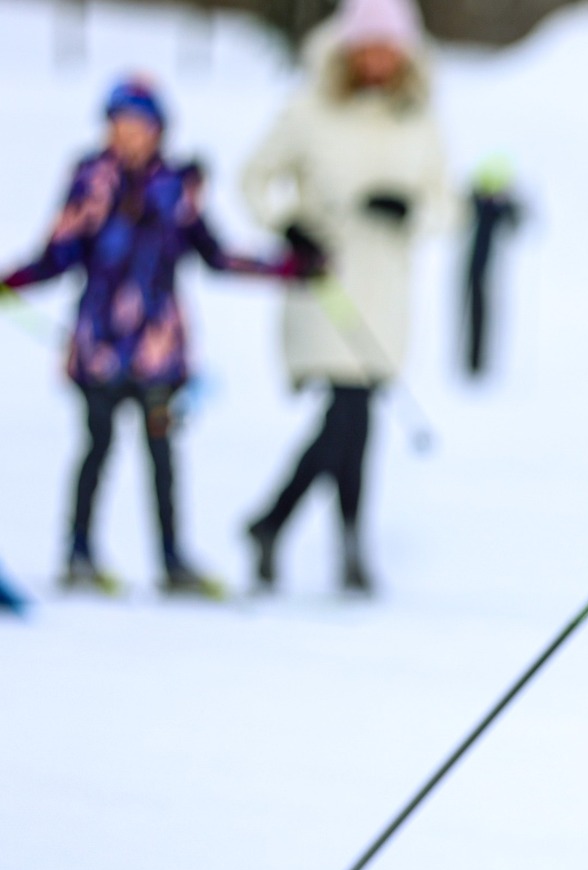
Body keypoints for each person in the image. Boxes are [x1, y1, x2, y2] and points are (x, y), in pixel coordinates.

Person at [1, 78, 306, 599]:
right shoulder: (91, 181)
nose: (129, 135)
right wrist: (11, 282)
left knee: (161, 452)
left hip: (158, 349)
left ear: (159, 130)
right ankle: (79, 552)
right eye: (120, 124)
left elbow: (215, 255)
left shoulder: (175, 189)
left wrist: (286, 268)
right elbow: (57, 254)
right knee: (97, 446)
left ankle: (172, 558)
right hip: (99, 346)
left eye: (140, 125)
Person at [240, 0, 447, 596]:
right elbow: (254, 179)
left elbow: (445, 202)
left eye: (389, 48)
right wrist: (288, 225)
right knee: (349, 413)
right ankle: (334, 541)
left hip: (386, 292)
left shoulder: (418, 119)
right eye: (368, 46)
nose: (378, 59)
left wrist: (410, 211)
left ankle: (281, 527)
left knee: (353, 423)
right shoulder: (309, 110)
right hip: (325, 285)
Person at [461, 155, 522, 379]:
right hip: (473, 267)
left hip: (494, 272)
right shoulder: (473, 205)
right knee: (471, 313)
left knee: (490, 314)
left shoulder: (504, 211)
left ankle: (484, 364)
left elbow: (517, 226)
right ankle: (471, 363)